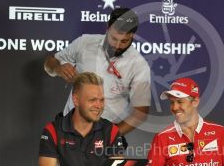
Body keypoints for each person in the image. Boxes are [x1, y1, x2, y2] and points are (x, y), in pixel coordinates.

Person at [44, 7, 151, 135]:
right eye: (113, 38)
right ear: (108, 28)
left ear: (132, 36)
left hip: (106, 132)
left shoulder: (139, 65)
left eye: (124, 41)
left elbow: (140, 112)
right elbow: (49, 64)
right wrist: (58, 68)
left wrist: (111, 137)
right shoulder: (84, 42)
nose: (117, 46)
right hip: (69, 128)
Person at [142, 78, 224, 166]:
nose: (175, 107)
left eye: (180, 102)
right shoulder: (162, 137)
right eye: (172, 102)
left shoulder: (219, 132)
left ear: (195, 102)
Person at [39, 72, 126, 166]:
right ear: (76, 100)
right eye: (92, 100)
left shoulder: (111, 130)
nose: (99, 105)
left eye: (101, 100)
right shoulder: (52, 130)